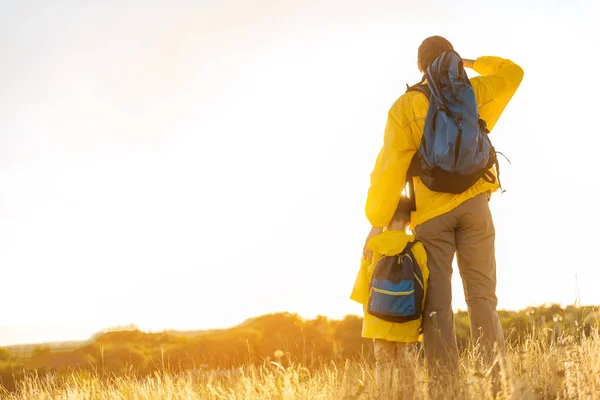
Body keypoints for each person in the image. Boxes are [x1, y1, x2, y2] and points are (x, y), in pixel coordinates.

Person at [363, 36, 524, 397]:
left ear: (419, 67)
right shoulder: (473, 91)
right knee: (483, 298)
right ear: (450, 58)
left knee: (437, 306)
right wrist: (468, 62)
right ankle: (499, 385)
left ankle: (445, 388)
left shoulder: (404, 107)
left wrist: (377, 221)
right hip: (476, 206)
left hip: (432, 217)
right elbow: (513, 72)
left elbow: (388, 171)